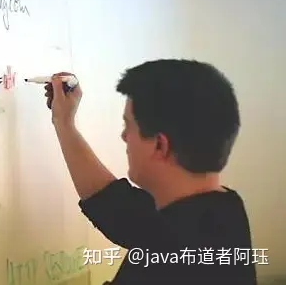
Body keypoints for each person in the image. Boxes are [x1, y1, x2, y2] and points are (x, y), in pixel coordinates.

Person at [45, 59, 257, 285]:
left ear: (159, 145)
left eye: (128, 126)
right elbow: (121, 211)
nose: (124, 136)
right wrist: (64, 123)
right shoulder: (224, 210)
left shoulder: (170, 255)